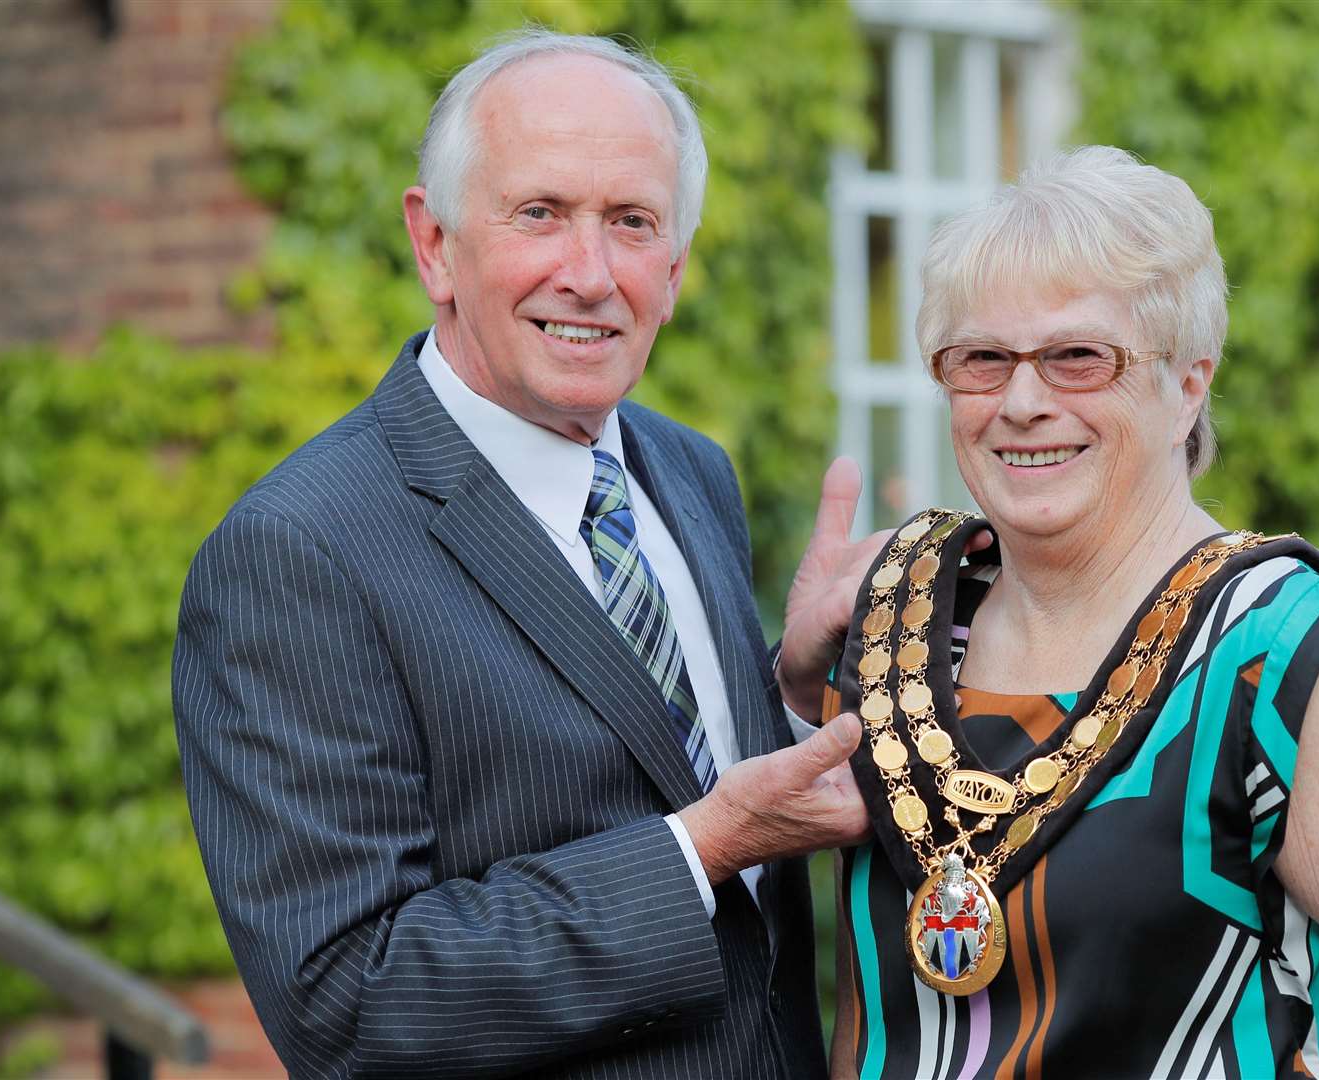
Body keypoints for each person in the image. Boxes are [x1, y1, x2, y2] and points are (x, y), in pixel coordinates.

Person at [173, 30, 876, 1080]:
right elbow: (352, 1004)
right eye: (539, 213)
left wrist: (787, 688)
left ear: (674, 270)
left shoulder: (691, 472)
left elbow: (658, 761)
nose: (588, 274)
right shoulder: (300, 551)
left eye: (631, 223)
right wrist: (705, 847)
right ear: (436, 244)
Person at [824, 146, 1319, 1078]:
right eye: (983, 360)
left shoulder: (1266, 649)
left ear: (1188, 387)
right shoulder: (901, 622)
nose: (1024, 401)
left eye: (1081, 357)